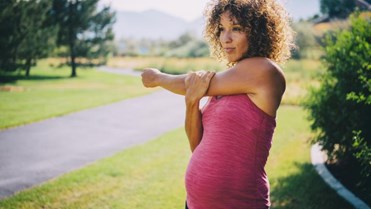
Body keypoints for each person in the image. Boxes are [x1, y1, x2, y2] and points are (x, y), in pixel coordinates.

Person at [141, 0, 294, 208]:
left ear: (259, 32)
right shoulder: (227, 83)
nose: (226, 38)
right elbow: (197, 145)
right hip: (195, 203)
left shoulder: (265, 71)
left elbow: (189, 82)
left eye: (236, 29)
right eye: (221, 29)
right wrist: (192, 102)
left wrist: (158, 78)